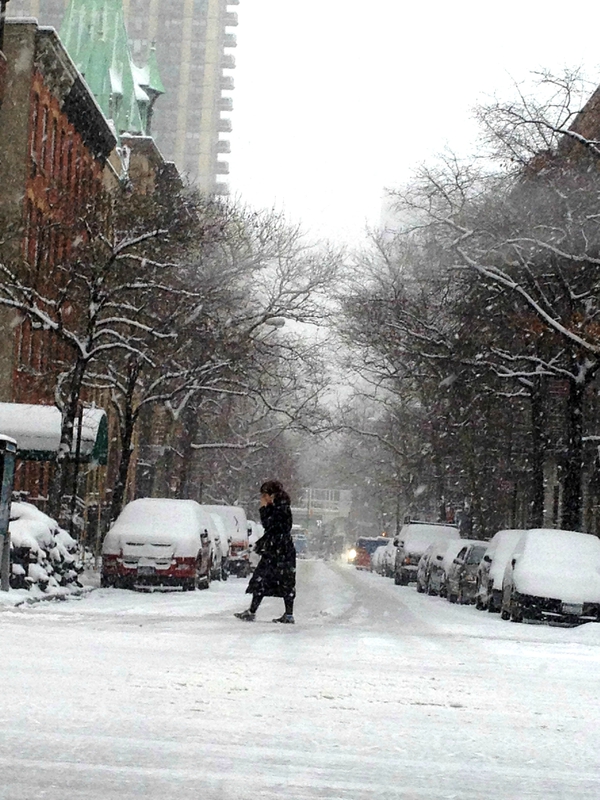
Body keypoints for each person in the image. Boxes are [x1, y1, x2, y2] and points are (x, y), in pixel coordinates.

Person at [234, 480, 296, 624]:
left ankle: (256, 611)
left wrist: (263, 509)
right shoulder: (281, 506)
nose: (263, 498)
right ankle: (285, 613)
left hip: (278, 549)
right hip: (281, 549)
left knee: (265, 578)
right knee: (279, 580)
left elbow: (270, 525)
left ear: (271, 494)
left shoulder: (280, 507)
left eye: (264, 495)